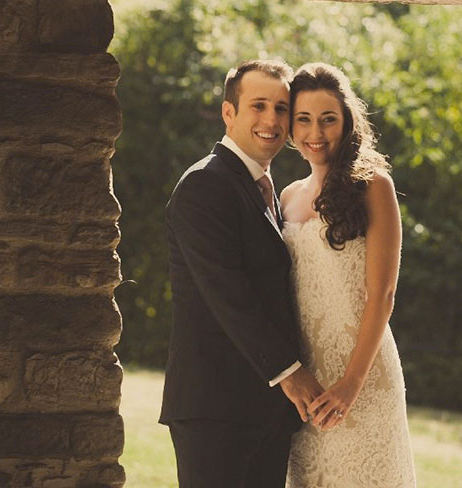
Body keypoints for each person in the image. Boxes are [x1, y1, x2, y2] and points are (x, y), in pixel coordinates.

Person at [159, 58, 325, 488]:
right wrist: (291, 372)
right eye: (258, 106)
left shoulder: (265, 188)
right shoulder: (204, 185)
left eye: (281, 108)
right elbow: (228, 294)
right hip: (215, 410)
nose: (271, 119)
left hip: (264, 410)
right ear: (228, 113)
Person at [280, 62, 417, 488]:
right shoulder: (285, 196)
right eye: (303, 119)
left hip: (362, 377)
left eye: (327, 119)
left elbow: (384, 294)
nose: (315, 133)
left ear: (347, 121)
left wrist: (351, 383)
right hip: (305, 387)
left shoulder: (374, 185)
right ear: (289, 126)